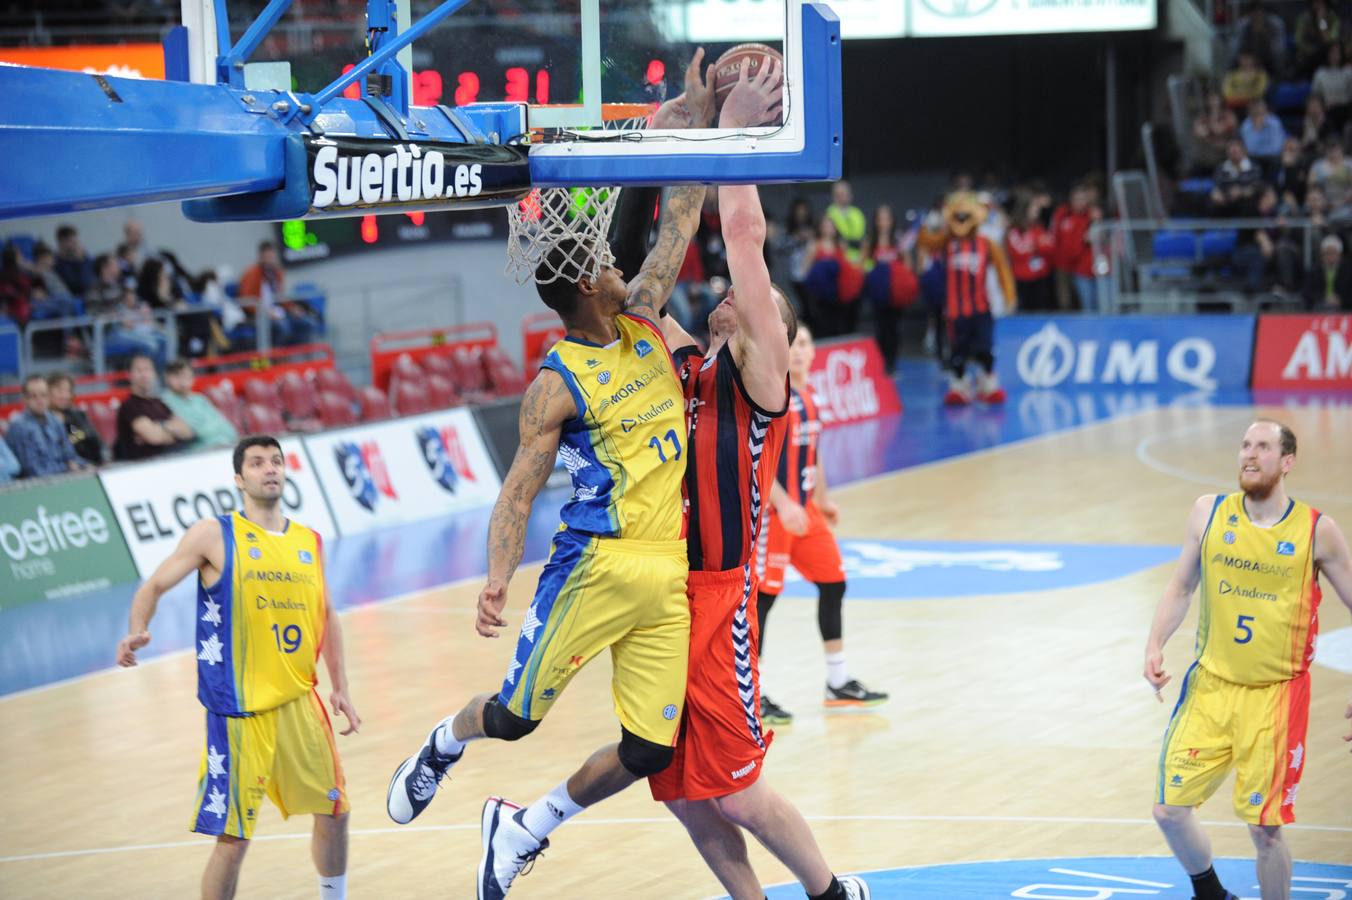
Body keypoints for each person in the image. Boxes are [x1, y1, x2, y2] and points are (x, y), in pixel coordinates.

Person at [384, 50, 720, 900]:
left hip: (665, 569)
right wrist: (499, 578)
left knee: (650, 751)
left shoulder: (643, 318)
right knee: (516, 718)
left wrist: (693, 121)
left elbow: (680, 215)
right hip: (596, 566)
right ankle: (447, 743)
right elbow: (521, 490)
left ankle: (526, 826)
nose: (618, 258)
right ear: (582, 283)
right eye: (601, 258)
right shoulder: (555, 382)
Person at [648, 58, 869, 900]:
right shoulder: (688, 364)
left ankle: (829, 891)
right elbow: (639, 292)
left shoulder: (761, 378)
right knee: (677, 792)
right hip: (663, 593)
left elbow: (743, 238)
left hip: (721, 595)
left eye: (761, 298)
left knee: (735, 789)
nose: (744, 297)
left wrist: (733, 134)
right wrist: (671, 142)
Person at [116, 435, 359, 900]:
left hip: (299, 703)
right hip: (239, 714)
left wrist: (341, 686)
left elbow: (326, 615)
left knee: (335, 811)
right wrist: (136, 629)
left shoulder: (308, 540)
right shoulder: (214, 534)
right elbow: (153, 587)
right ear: (238, 478)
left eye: (276, 461)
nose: (270, 469)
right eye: (257, 462)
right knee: (234, 839)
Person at [1144, 420, 1352, 900]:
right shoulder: (1208, 513)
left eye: (1262, 446)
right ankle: (1211, 894)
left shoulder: (1318, 531)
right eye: (1244, 445)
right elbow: (1181, 585)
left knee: (1265, 830)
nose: (1249, 455)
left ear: (1287, 462)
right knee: (1168, 811)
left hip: (1276, 697)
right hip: (1210, 687)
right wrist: (1155, 642)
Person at [755, 323, 887, 727]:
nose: (799, 350)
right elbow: (757, 456)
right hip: (775, 515)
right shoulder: (773, 396)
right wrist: (783, 503)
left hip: (805, 512)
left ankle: (838, 680)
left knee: (834, 582)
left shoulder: (811, 395)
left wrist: (822, 499)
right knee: (762, 601)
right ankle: (749, 695)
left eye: (806, 343)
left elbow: (813, 453)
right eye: (792, 344)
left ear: (815, 353)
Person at [114, 352, 194, 460]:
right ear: (129, 375)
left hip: (175, 459)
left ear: (154, 374)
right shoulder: (129, 406)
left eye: (148, 369)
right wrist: (173, 432)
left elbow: (187, 431)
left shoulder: (160, 402)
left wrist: (161, 426)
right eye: (139, 370)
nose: (144, 375)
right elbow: (154, 438)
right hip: (145, 466)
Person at [5, 375, 86, 478]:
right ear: (25, 399)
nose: (40, 400)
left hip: (63, 479)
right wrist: (67, 467)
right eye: (33, 396)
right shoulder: (19, 427)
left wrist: (84, 465)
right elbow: (34, 471)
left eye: (44, 395)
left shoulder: (55, 421)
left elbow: (70, 455)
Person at [161, 358, 240, 449]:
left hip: (223, 446)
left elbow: (228, 428)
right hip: (195, 453)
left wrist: (206, 430)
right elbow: (191, 431)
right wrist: (211, 429)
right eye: (177, 377)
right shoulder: (164, 401)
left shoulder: (200, 399)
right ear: (167, 378)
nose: (183, 382)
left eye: (186, 376)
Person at [1005, 190, 1056, 312]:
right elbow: (1018, 253)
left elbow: (1050, 248)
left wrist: (1036, 246)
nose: (1037, 210)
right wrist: (1037, 245)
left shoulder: (1038, 227)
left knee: (1043, 312)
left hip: (1041, 278)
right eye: (1034, 206)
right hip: (1023, 280)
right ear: (1025, 208)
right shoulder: (1014, 229)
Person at [46, 372, 104, 465]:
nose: (65, 396)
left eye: (68, 391)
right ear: (47, 392)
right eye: (60, 391)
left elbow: (97, 442)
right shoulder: (43, 422)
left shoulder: (78, 415)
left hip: (93, 465)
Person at [1301, 233, 1352, 309]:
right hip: (1321, 306)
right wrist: (1324, 298)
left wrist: (1340, 300)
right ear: (1322, 255)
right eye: (1327, 253)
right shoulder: (1315, 270)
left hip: (1344, 307)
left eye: (1333, 253)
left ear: (1340, 254)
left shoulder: (1348, 270)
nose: (1330, 257)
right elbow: (1307, 292)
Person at [825, 180, 866, 266]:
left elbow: (862, 239)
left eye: (844, 193)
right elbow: (832, 240)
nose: (841, 197)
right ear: (833, 196)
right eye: (838, 194)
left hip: (859, 259)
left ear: (850, 195)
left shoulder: (857, 213)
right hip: (837, 260)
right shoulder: (829, 214)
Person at [1240, 98, 1287, 167]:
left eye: (1259, 107)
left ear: (1265, 109)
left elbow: (1276, 147)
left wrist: (1263, 124)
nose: (1257, 110)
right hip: (1253, 158)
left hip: (1273, 158)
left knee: (1278, 160)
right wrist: (1257, 128)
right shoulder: (1246, 125)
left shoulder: (1274, 122)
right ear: (1249, 110)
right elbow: (1250, 148)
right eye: (1254, 107)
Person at [53, 224, 94, 297]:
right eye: (71, 241)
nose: (75, 244)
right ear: (61, 242)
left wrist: (81, 260)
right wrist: (80, 261)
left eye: (75, 241)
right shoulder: (56, 263)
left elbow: (92, 281)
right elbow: (81, 285)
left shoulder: (85, 258)